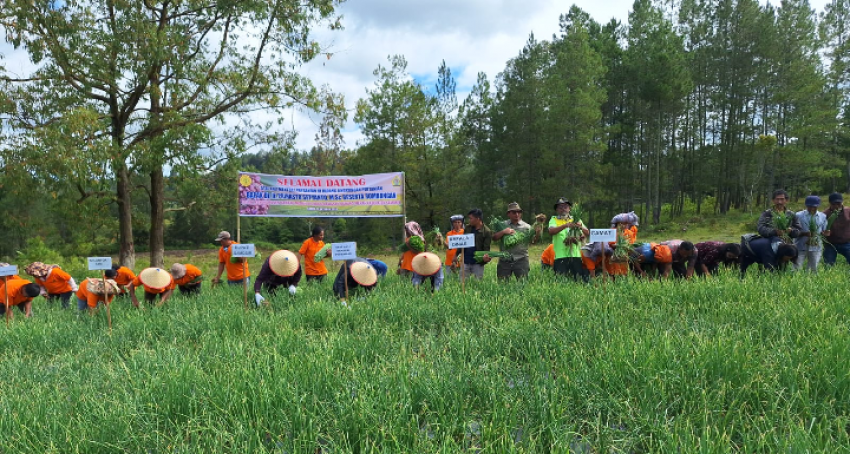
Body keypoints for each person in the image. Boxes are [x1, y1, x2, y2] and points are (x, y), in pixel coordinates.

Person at [548, 198, 589, 280]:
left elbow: (587, 232)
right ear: (557, 210)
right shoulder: (554, 219)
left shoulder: (576, 219)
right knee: (561, 280)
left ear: (569, 209)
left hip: (575, 255)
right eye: (560, 207)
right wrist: (566, 225)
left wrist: (580, 227)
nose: (563, 209)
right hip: (560, 256)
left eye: (565, 207)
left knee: (578, 280)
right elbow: (551, 231)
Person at [493, 202, 532, 280]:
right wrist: (503, 232)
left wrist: (537, 234)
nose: (517, 214)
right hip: (505, 260)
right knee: (503, 285)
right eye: (514, 212)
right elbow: (494, 238)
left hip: (521, 259)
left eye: (519, 212)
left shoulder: (527, 227)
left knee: (523, 285)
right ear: (508, 214)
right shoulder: (502, 225)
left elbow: (533, 241)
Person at [452, 208, 492, 280]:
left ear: (478, 219)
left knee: (477, 283)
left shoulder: (487, 231)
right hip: (466, 261)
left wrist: (486, 257)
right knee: (462, 282)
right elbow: (462, 243)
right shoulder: (468, 228)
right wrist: (456, 255)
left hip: (478, 263)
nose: (469, 220)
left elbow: (486, 248)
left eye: (471, 218)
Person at [794, 195, 827, 272]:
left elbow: (823, 231)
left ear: (818, 206)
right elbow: (794, 231)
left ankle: (810, 282)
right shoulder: (798, 215)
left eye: (814, 207)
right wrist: (804, 233)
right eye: (810, 206)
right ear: (806, 205)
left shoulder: (822, 216)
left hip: (816, 246)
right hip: (800, 245)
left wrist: (824, 233)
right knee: (796, 266)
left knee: (814, 268)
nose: (812, 208)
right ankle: (795, 281)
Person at [823, 192, 850, 266]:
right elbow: (820, 228)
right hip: (831, 243)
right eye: (834, 204)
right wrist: (824, 232)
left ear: (842, 202)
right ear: (830, 204)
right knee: (828, 265)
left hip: (846, 242)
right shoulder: (824, 214)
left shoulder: (848, 211)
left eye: (838, 203)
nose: (836, 206)